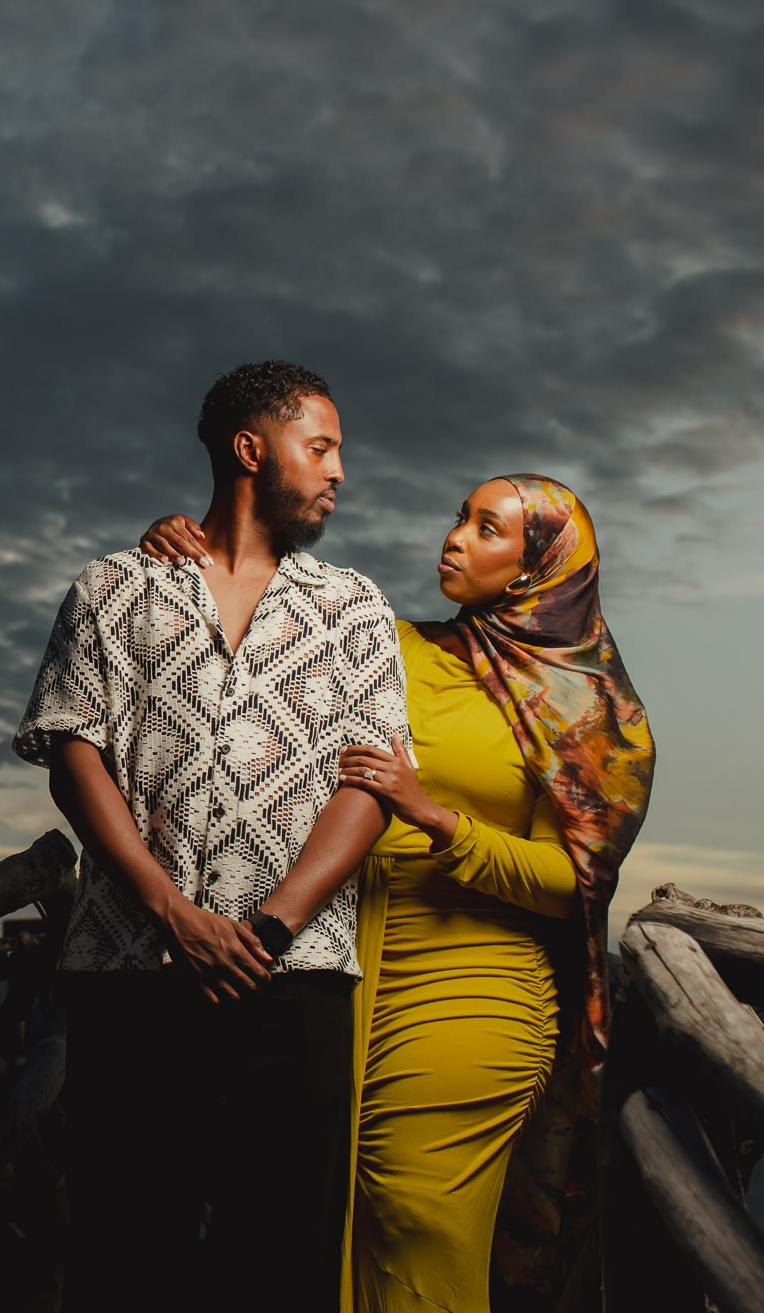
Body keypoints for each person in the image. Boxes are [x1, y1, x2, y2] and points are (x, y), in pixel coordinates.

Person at [140, 474, 654, 1312]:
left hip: (481, 982)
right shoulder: (391, 643)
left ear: (541, 565)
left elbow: (578, 885)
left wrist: (437, 820)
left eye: (488, 529)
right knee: (335, 1221)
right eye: (461, 517)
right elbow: (249, 640)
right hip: (344, 968)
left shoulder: (597, 713)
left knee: (418, 1210)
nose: (456, 538)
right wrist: (185, 549)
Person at [15, 361, 411, 1313]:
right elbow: (76, 756)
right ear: (250, 449)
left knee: (281, 1259)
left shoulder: (353, 605)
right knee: (124, 1247)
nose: (339, 472)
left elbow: (372, 782)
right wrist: (172, 913)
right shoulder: (115, 587)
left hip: (296, 976)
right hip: (130, 971)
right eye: (320, 448)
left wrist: (270, 929)